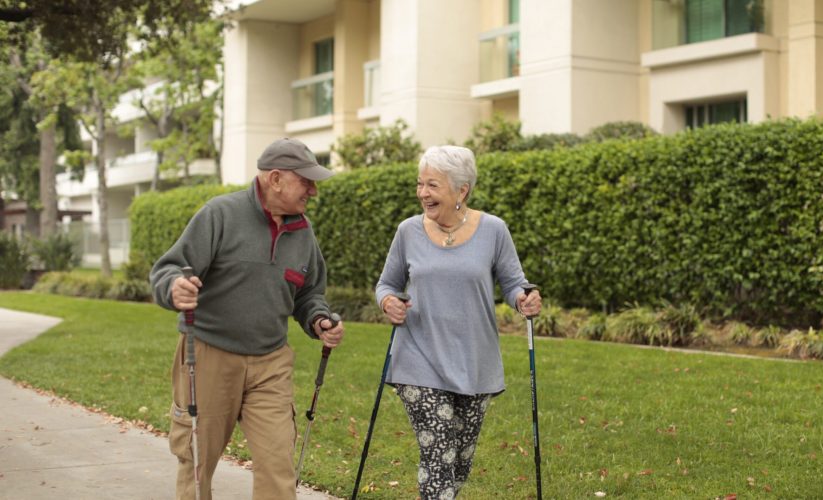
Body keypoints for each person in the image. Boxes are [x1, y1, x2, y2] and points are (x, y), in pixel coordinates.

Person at [149, 137, 345, 500]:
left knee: (278, 464)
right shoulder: (220, 214)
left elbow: (308, 293)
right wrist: (174, 286)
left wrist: (318, 319)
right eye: (306, 181)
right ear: (275, 179)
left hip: (270, 360)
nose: (314, 191)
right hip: (209, 354)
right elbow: (170, 267)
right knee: (197, 465)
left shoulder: (303, 232)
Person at [375, 145, 542, 499]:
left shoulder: (494, 230)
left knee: (459, 463)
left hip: (474, 363)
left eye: (432, 185)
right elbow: (387, 284)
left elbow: (514, 283)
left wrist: (523, 299)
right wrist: (389, 301)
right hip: (419, 360)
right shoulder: (408, 232)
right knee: (438, 457)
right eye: (420, 184)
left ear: (461, 190)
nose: (423, 193)